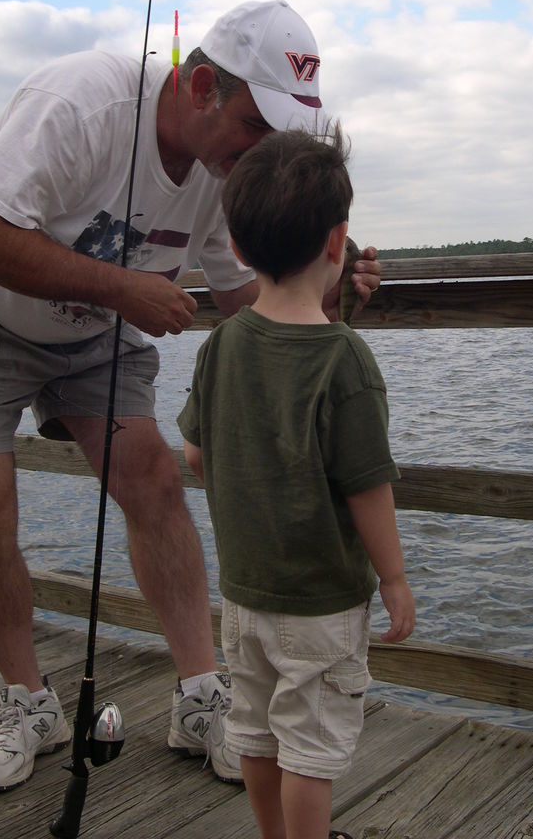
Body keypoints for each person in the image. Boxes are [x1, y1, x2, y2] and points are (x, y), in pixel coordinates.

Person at [0, 0, 383, 793]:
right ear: (200, 87)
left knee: (154, 481)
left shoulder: (232, 178)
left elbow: (252, 307)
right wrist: (127, 287)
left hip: (94, 326)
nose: (265, 153)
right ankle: (28, 704)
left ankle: (200, 696)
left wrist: (337, 284)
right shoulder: (82, 102)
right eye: (257, 126)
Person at [177, 126, 416, 839]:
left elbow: (193, 455)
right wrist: (395, 579)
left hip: (244, 598)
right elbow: (367, 486)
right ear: (338, 241)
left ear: (241, 250)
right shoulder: (344, 358)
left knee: (254, 733)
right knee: (311, 752)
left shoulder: (221, 341)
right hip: (321, 605)